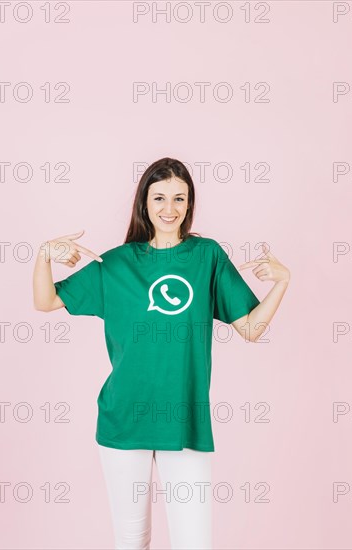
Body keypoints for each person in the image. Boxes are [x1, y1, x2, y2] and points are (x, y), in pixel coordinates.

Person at [32, 157, 290, 549]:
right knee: (131, 541)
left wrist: (282, 282)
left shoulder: (207, 257)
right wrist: (44, 255)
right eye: (159, 198)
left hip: (184, 420)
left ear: (189, 204)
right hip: (123, 419)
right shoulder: (115, 263)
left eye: (179, 198)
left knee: (193, 541)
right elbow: (46, 300)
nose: (169, 209)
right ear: (144, 203)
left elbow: (251, 328)